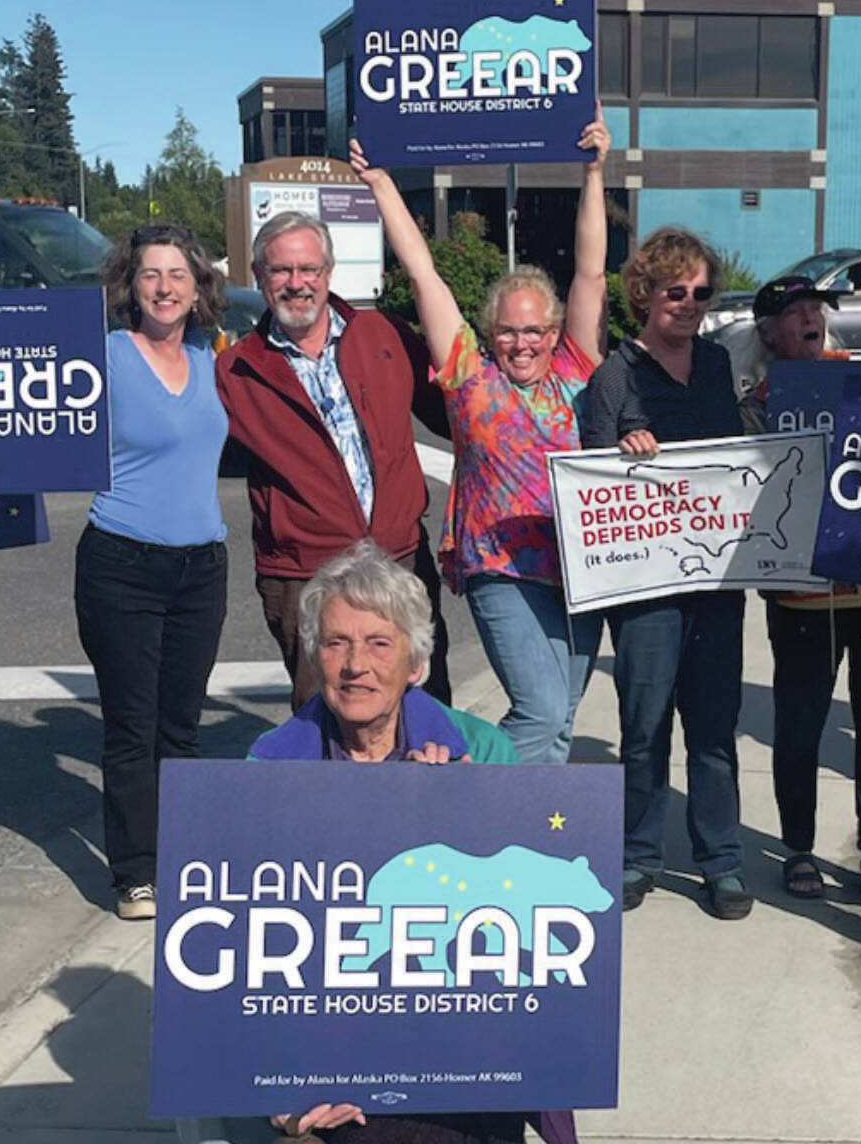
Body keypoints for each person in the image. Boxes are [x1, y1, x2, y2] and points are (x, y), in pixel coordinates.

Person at [0, 223, 232, 922]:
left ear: (199, 291)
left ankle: (184, 864)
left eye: (178, 275)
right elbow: (7, 368)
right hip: (122, 561)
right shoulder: (102, 355)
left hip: (203, 566)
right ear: (129, 286)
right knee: (133, 727)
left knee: (181, 730)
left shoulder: (212, 356)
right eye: (150, 275)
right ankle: (135, 876)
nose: (164, 287)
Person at [248, 542, 577, 1144]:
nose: (355, 665)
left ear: (416, 664)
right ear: (315, 656)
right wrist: (283, 1099)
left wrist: (456, 808)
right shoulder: (267, 767)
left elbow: (530, 940)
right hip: (327, 1060)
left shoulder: (482, 751)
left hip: (465, 1048)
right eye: (336, 643)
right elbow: (251, 957)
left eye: (379, 644)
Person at [347, 111, 610, 765]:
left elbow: (591, 275)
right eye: (511, 331)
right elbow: (426, 276)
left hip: (581, 568)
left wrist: (594, 173)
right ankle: (463, 795)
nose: (523, 343)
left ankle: (528, 845)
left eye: (536, 331)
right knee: (542, 712)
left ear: (555, 334)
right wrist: (380, 184)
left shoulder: (578, 369)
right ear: (492, 333)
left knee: (562, 721)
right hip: (500, 566)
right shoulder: (468, 373)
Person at [580, 227, 753, 920]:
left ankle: (722, 862)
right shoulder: (614, 375)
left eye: (702, 292)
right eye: (674, 291)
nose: (688, 303)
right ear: (644, 293)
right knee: (644, 724)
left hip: (716, 580)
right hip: (645, 587)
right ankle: (638, 855)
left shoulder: (716, 364)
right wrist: (625, 450)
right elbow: (591, 479)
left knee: (714, 727)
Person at [216, 210, 454, 712]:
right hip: (304, 571)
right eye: (280, 271)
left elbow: (457, 417)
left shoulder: (383, 335)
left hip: (399, 559)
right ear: (259, 277)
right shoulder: (234, 371)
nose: (296, 283)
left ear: (328, 272)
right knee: (324, 721)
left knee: (425, 713)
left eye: (309, 269)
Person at [739, 276, 861, 901]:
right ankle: (798, 848)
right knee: (799, 726)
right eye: (796, 312)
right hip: (800, 599)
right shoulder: (756, 403)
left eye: (818, 308)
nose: (813, 316)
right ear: (767, 332)